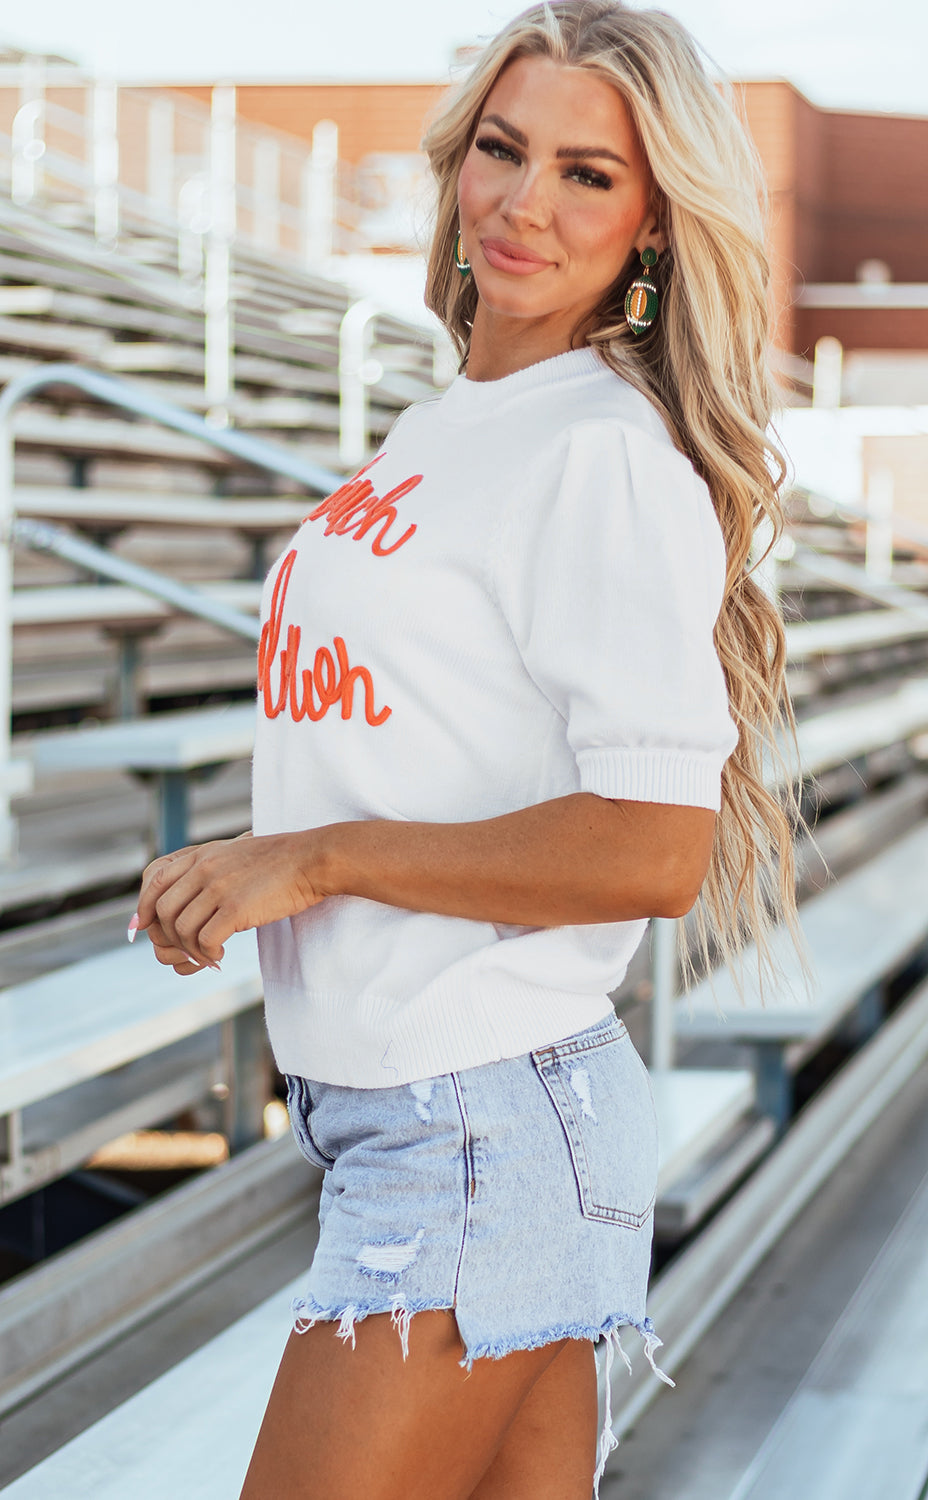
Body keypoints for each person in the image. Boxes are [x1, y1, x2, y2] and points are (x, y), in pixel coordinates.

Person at [135, 3, 798, 1495]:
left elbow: (653, 846)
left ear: (650, 225)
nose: (519, 201)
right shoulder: (459, 420)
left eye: (584, 174)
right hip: (435, 1113)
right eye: (501, 149)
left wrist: (305, 861)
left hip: (474, 1121)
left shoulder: (600, 454)